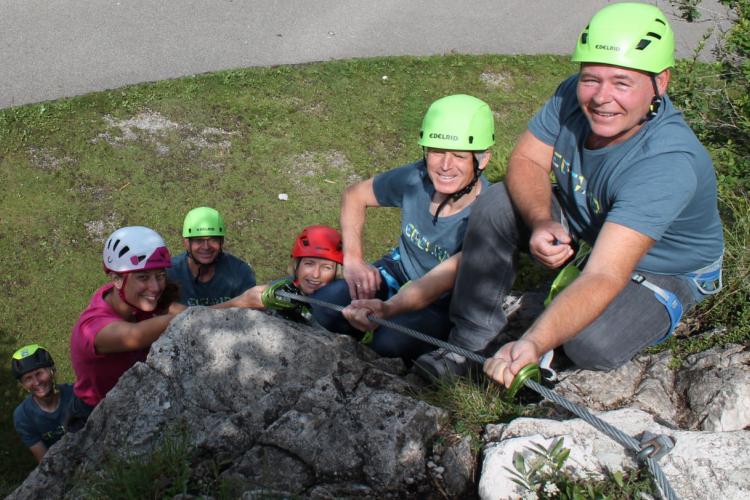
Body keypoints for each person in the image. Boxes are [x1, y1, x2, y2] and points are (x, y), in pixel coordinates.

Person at [410, 2, 723, 384]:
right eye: (591, 78)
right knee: (497, 204)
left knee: (592, 344)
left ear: (661, 82)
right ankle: (468, 344)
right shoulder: (570, 98)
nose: (601, 97)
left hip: (665, 265)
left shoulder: (667, 162)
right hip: (593, 218)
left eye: (622, 82)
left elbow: (606, 273)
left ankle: (550, 354)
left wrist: (534, 342)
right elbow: (526, 159)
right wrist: (541, 221)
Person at [312, 94, 494, 363]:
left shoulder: (487, 214)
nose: (445, 165)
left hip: (442, 302)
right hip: (398, 271)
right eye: (436, 152)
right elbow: (354, 196)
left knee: (388, 344)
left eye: (459, 156)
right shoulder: (416, 179)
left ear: (482, 160)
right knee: (325, 306)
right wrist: (353, 260)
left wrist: (387, 309)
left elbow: (436, 284)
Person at [68, 226, 257, 431]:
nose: (156, 287)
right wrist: (241, 302)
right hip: (94, 416)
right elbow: (138, 334)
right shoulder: (93, 330)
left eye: (160, 275)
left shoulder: (133, 300)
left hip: (136, 401)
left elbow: (194, 314)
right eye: (143, 277)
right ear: (117, 280)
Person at [243, 225, 344, 325]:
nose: (316, 274)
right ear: (296, 265)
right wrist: (242, 301)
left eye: (326, 267)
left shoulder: (345, 301)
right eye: (309, 264)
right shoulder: (277, 292)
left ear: (337, 272)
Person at [167, 207, 256, 306]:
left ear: (222, 241)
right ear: (187, 243)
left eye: (213, 240)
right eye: (199, 240)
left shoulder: (240, 272)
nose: (206, 247)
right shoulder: (170, 273)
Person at [12, 344, 74, 463]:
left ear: (52, 371)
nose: (36, 382)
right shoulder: (23, 416)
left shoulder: (75, 394)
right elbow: (45, 461)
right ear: (23, 385)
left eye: (39, 373)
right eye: (28, 378)